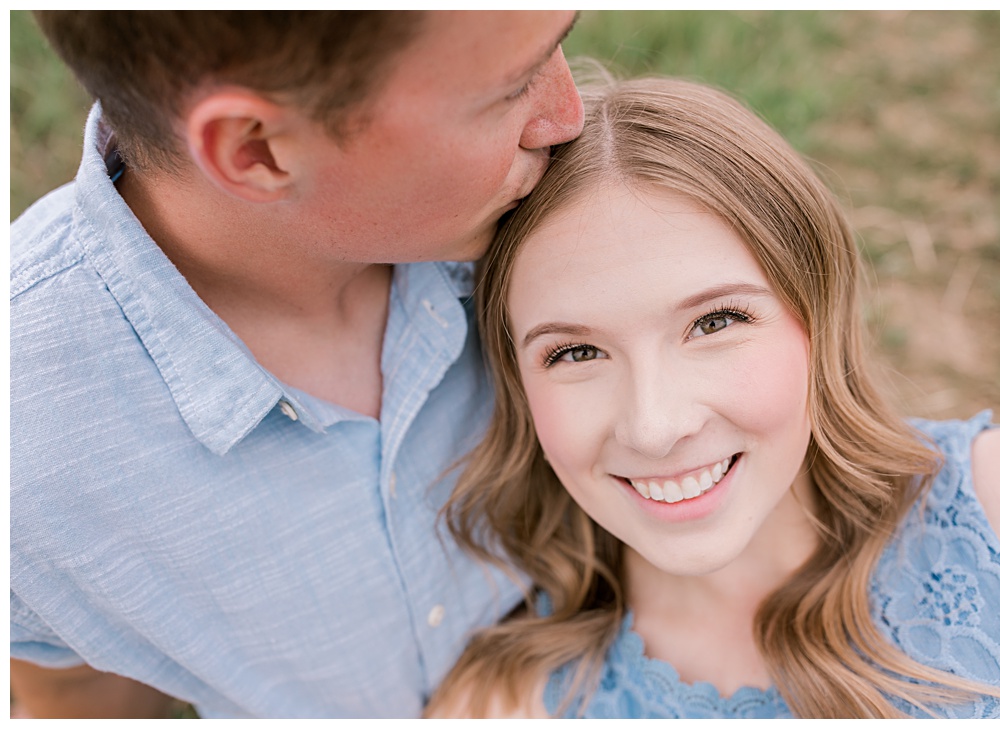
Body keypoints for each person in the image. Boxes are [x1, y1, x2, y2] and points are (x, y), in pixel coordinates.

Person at [420, 77, 1000, 719]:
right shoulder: (507, 702)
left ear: (816, 316)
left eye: (714, 323)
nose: (654, 426)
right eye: (575, 353)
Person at [10, 11, 583, 718]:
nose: (569, 115)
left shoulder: (576, 216)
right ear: (256, 151)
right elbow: (66, 672)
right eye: (513, 87)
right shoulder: (28, 456)